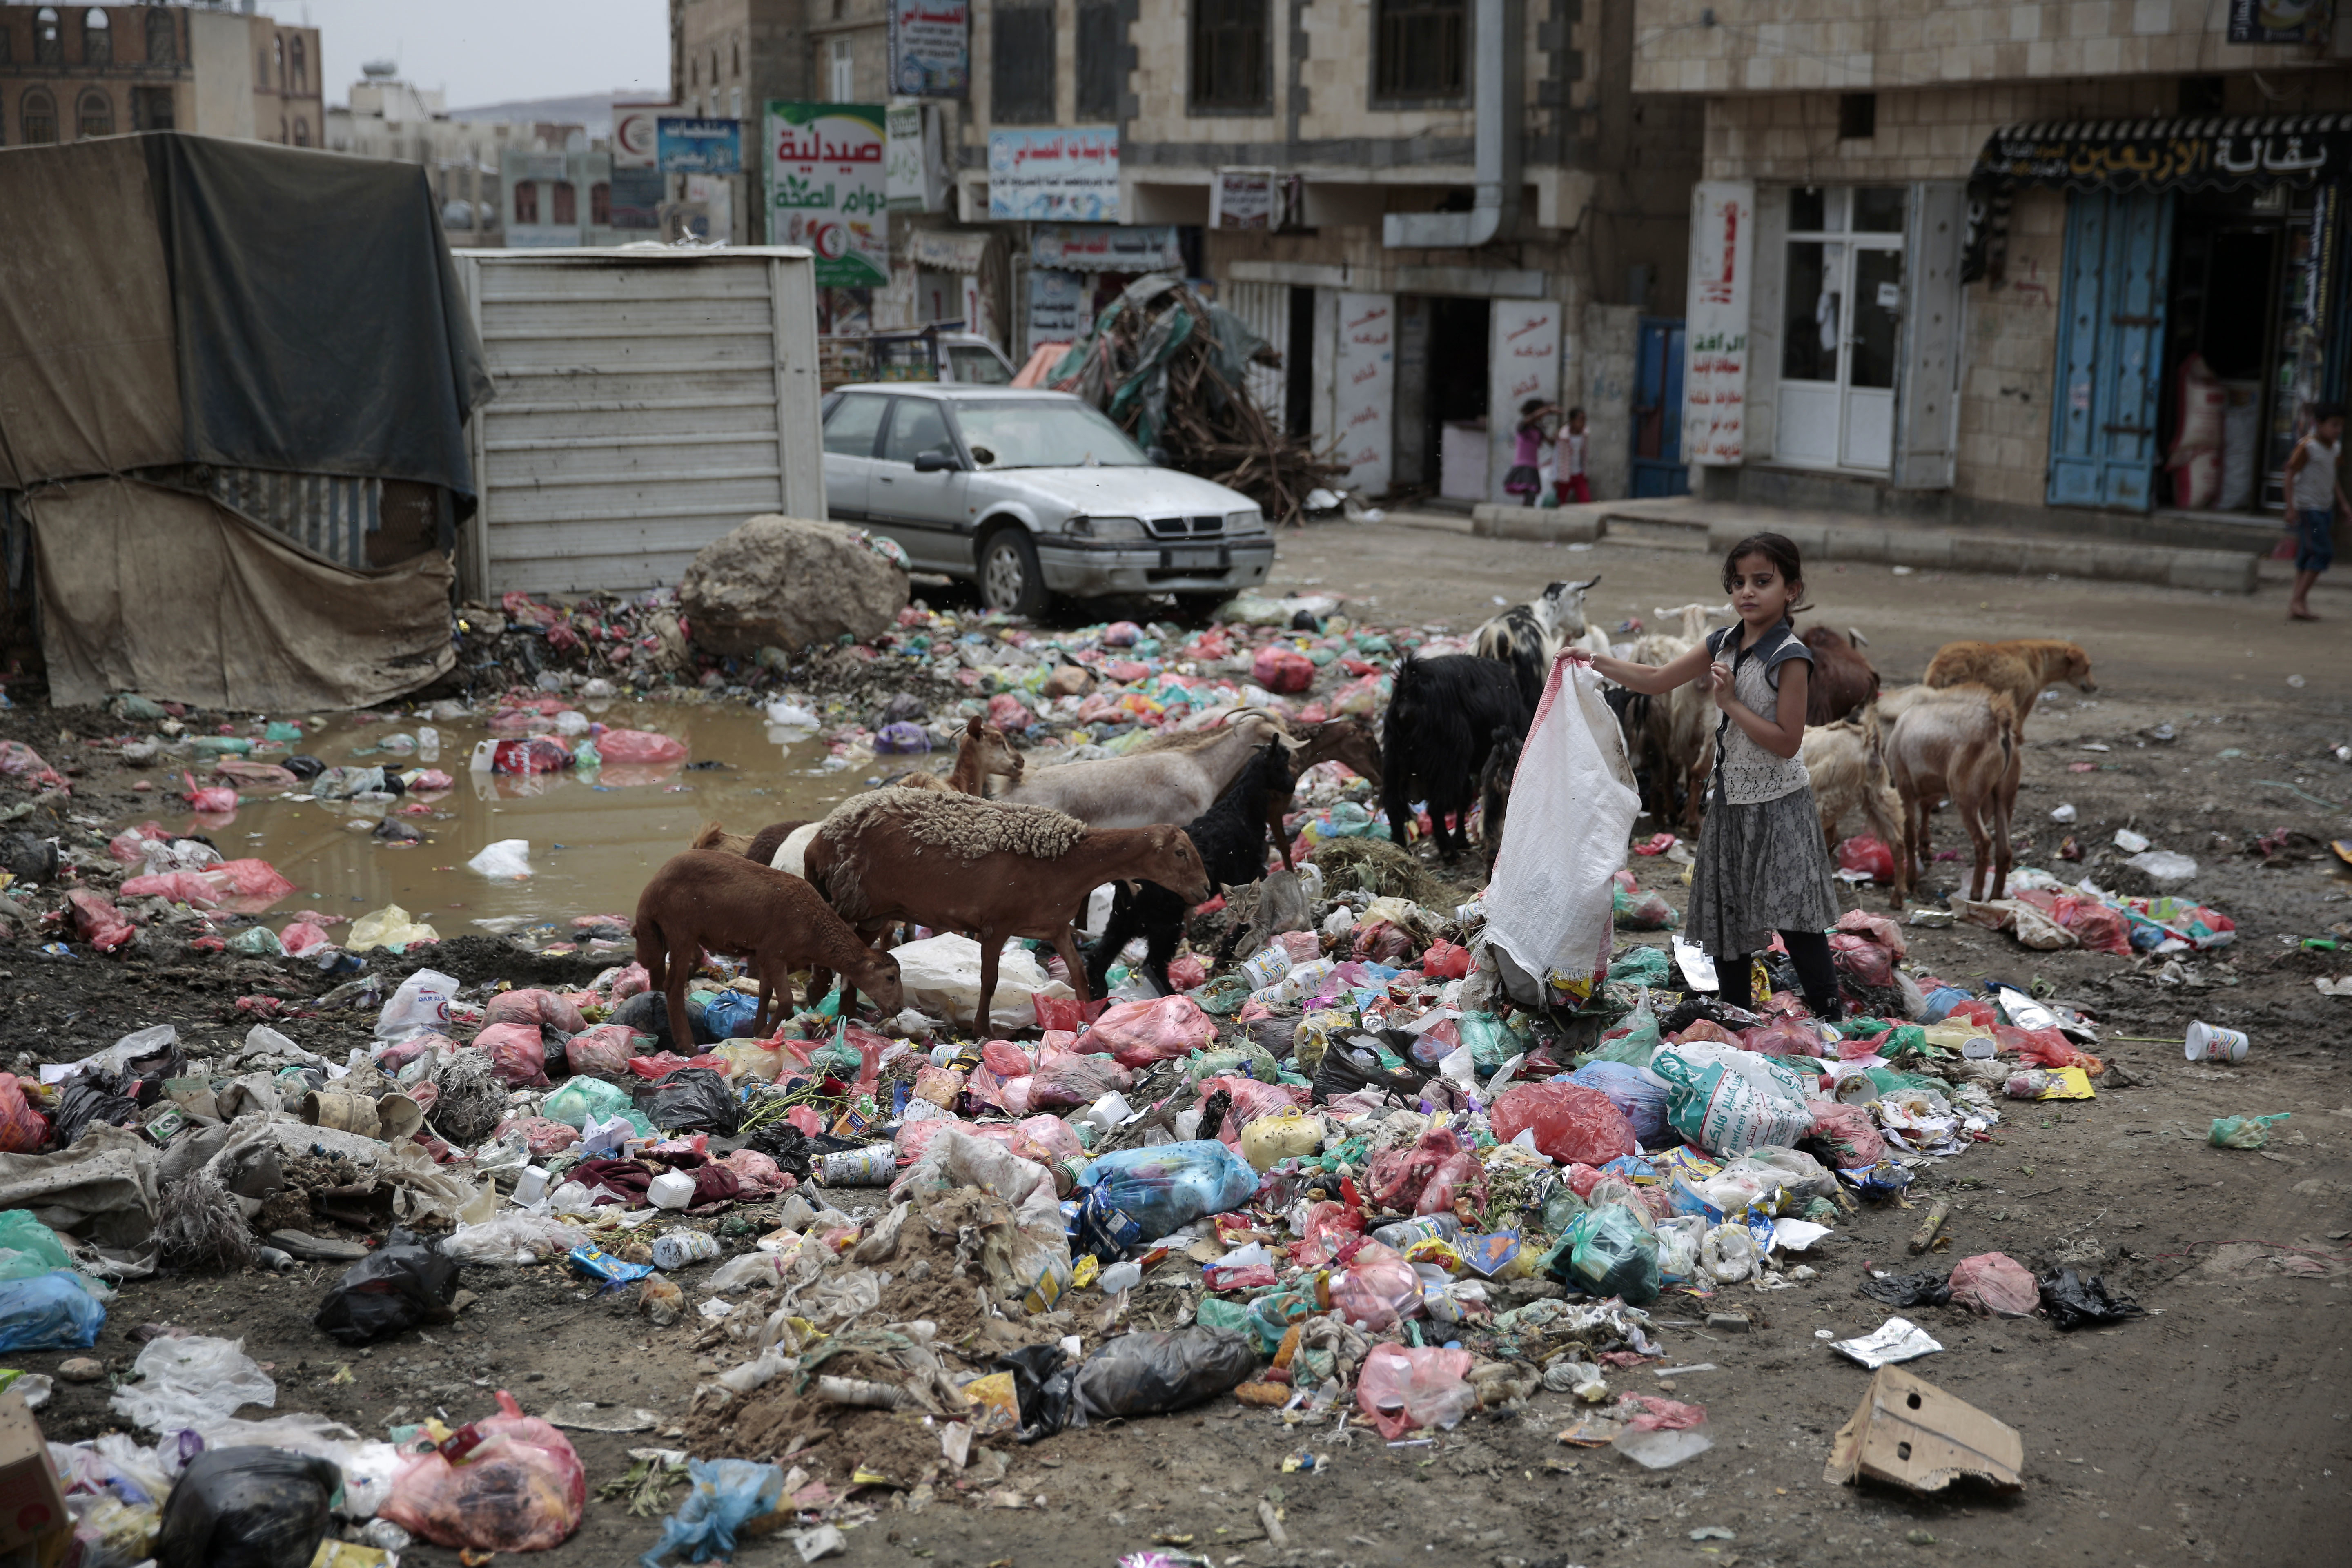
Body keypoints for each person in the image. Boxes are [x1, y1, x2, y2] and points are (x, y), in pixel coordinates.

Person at [1566, 532, 1844, 1019]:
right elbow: (1656, 680)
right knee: (1726, 912)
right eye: (1738, 582)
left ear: (1792, 589)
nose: (1747, 593)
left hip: (1780, 802)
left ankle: (1829, 1014)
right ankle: (1736, 1014)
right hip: (1730, 800)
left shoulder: (1790, 656)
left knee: (1797, 915)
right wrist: (1592, 661)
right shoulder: (1724, 642)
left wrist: (1731, 704)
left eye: (1763, 581)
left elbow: (1787, 742)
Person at [2284, 401, 2345, 622]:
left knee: (2307, 556)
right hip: (2309, 509)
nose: (2338, 430)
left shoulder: (2335, 448)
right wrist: (2291, 508)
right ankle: (2297, 600)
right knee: (2323, 553)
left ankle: (2298, 605)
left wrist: (2344, 504)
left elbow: (2332, 478)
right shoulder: (2307, 447)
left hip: (2325, 507)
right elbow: (2289, 475)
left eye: (2341, 426)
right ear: (2319, 424)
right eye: (2334, 425)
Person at [1504, 398, 1554, 503]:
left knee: (1531, 495)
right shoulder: (1523, 426)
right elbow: (1532, 418)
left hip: (1533, 466)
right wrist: (1548, 410)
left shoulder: (1538, 430)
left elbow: (1552, 443)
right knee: (1530, 494)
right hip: (1523, 466)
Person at [1554, 407, 1590, 504]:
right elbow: (1557, 457)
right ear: (1572, 421)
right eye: (1580, 419)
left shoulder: (1584, 435)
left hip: (1579, 473)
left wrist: (1586, 472)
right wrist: (1555, 477)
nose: (1583, 422)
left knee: (1586, 500)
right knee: (1561, 501)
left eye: (1584, 419)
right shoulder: (1563, 436)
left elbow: (1584, 456)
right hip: (1565, 474)